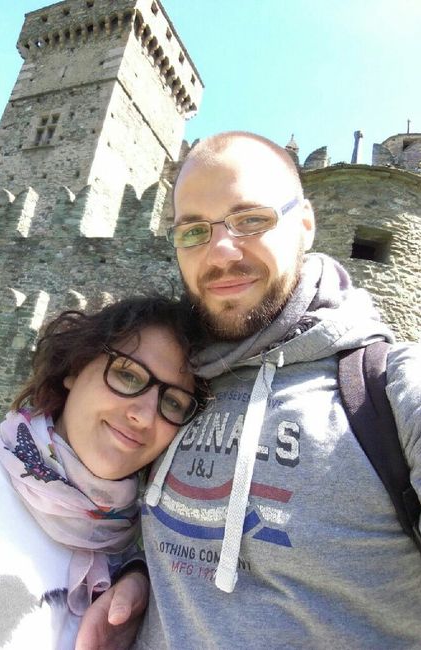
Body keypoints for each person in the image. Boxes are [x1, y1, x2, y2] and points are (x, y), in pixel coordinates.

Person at [77, 132, 421, 650]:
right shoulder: (170, 384)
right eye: (194, 230)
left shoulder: (390, 390)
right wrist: (140, 572)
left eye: (251, 219)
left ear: (305, 223)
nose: (221, 251)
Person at [0, 294, 207, 650]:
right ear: (75, 369)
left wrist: (139, 575)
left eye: (172, 402)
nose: (143, 416)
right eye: (127, 375)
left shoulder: (140, 569)